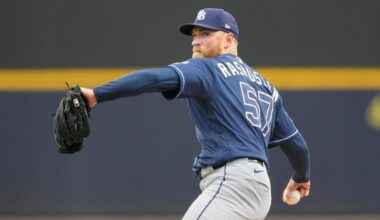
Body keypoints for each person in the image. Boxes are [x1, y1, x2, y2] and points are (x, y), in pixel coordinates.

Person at [80, 8, 310, 220]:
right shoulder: (266, 87)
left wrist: (96, 94)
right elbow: (297, 145)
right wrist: (301, 178)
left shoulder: (207, 68)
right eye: (195, 35)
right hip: (258, 188)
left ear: (228, 39)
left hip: (233, 183)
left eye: (205, 34)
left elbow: (154, 79)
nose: (195, 41)